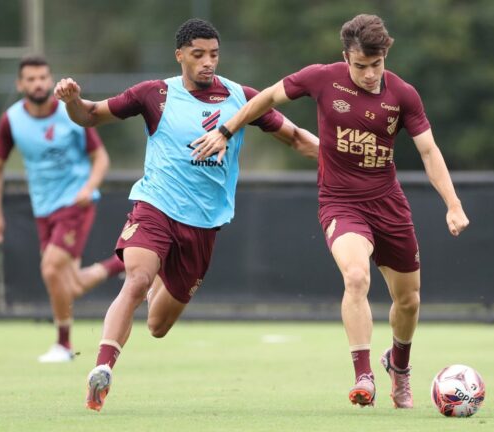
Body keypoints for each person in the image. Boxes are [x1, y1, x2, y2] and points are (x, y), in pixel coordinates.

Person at [192, 14, 470, 409]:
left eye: (376, 64)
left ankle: (399, 366)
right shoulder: (322, 78)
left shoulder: (404, 95)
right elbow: (266, 97)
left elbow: (428, 151)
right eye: (360, 65)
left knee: (409, 301)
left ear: (385, 57)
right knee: (355, 276)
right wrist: (226, 130)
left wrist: (453, 205)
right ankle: (364, 376)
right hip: (341, 203)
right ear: (345, 58)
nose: (369, 74)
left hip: (388, 205)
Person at [53, 18, 318, 411]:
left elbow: (295, 137)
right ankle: (103, 369)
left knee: (157, 325)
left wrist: (339, 158)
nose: (207, 62)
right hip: (155, 205)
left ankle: (156, 277)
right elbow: (91, 114)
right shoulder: (155, 94)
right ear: (180, 55)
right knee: (136, 279)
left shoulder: (241, 98)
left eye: (213, 54)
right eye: (198, 55)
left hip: (203, 224)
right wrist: (72, 101)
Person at [0, 56, 125, 363]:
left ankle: (63, 344)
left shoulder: (70, 113)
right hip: (43, 209)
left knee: (50, 268)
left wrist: (88, 188)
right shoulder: (12, 120)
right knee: (70, 285)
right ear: (20, 84)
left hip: (75, 203)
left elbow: (101, 159)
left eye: (42, 78)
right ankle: (121, 265)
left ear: (50, 81)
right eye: (31, 79)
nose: (38, 84)